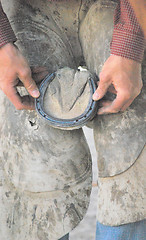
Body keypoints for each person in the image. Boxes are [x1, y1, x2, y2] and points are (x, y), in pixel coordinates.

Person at [0, 0, 145, 239]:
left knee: (130, 148)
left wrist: (130, 42)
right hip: (24, 8)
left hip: (119, 5)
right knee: (32, 162)